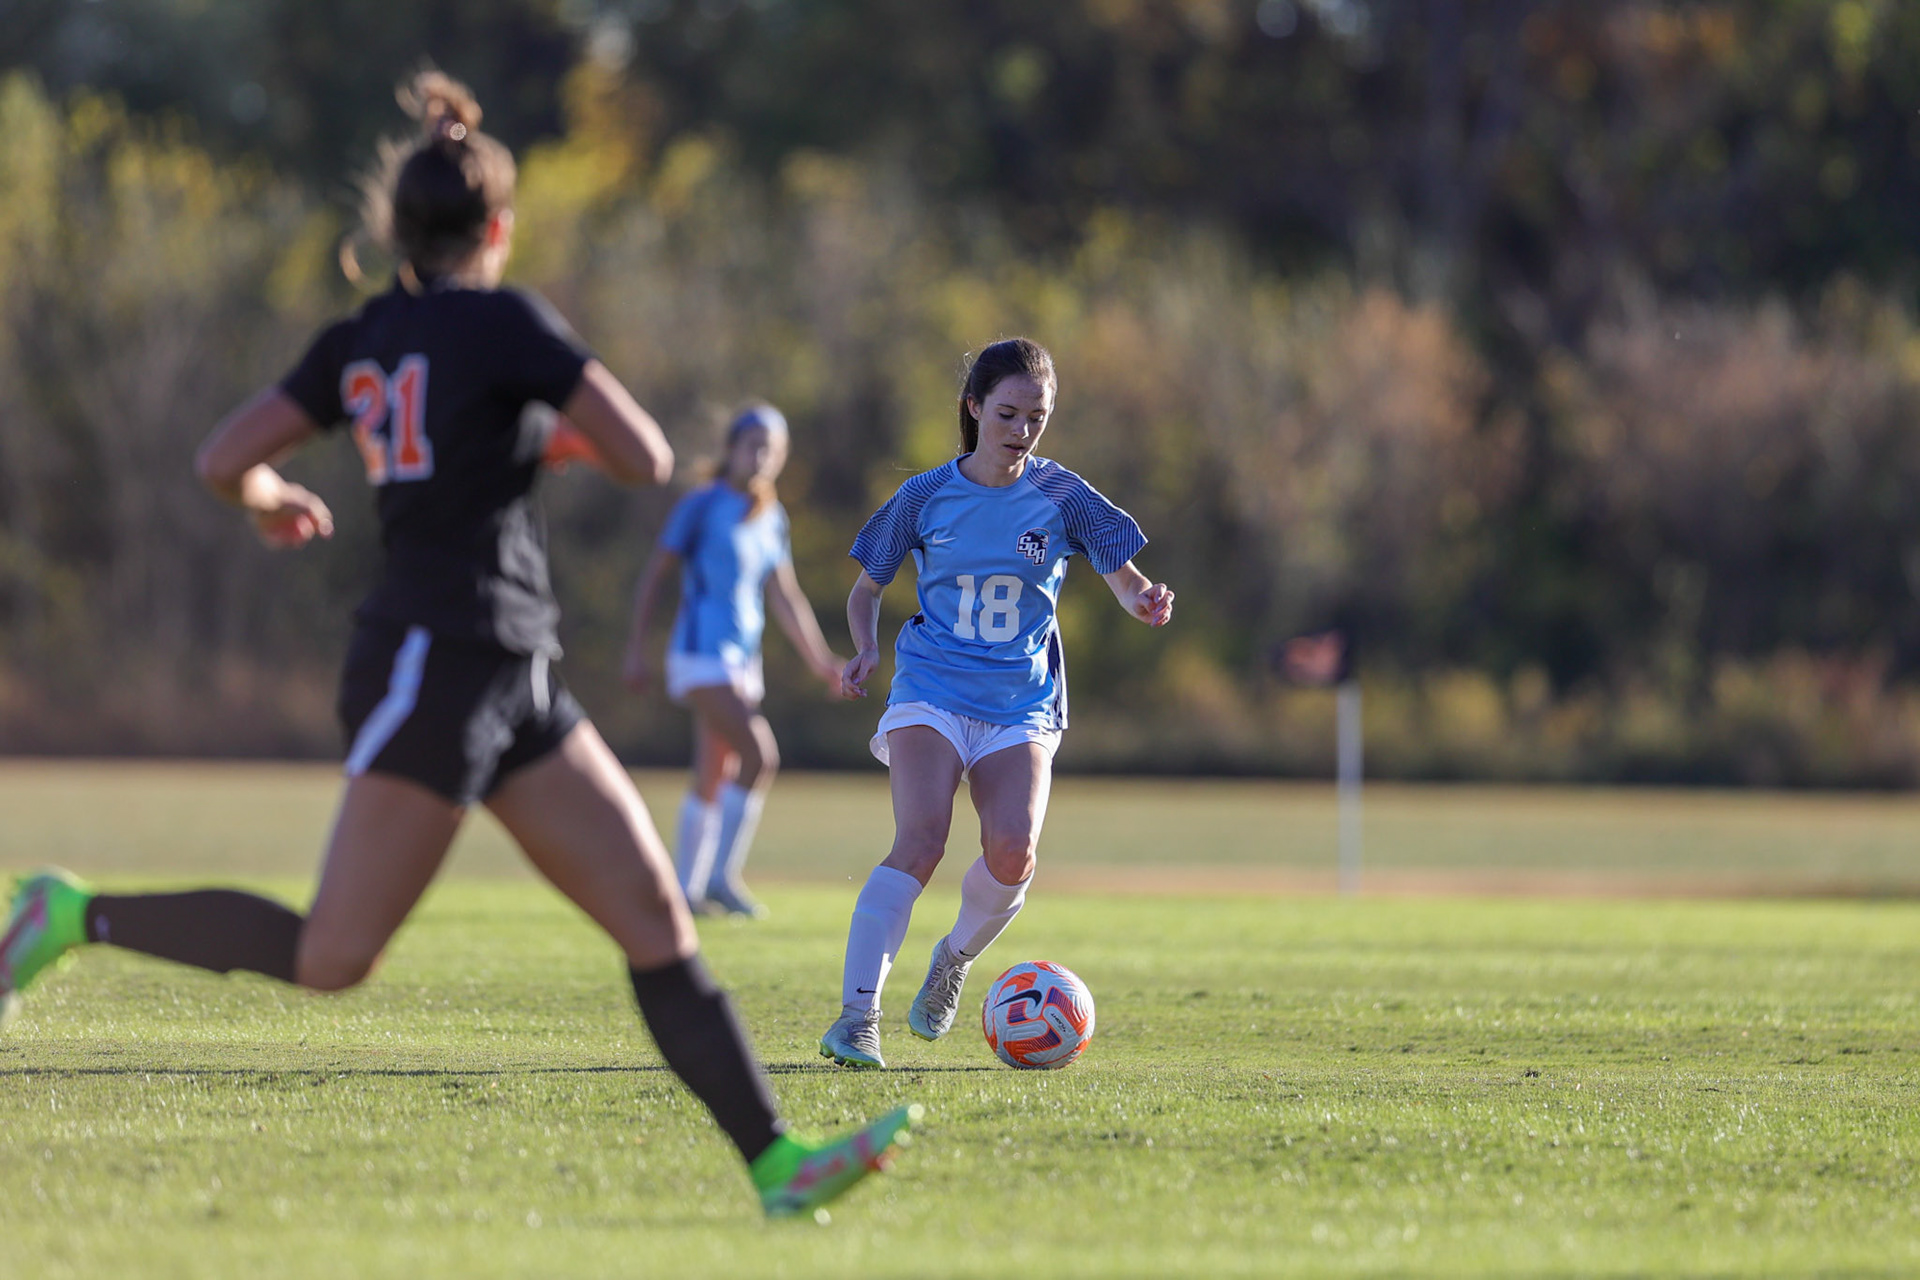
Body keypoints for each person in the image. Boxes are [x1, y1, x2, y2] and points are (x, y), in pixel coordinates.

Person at [0, 71, 916, 1216]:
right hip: (436, 661)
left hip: (512, 670)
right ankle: (70, 913)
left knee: (655, 921)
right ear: (499, 227)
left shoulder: (365, 334)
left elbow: (224, 456)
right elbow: (639, 452)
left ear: (399, 230)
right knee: (335, 955)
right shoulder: (506, 321)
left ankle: (781, 1165)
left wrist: (272, 497)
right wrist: (544, 429)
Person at [819, 338, 1174, 1069]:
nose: (1021, 430)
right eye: (1008, 413)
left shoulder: (1063, 495)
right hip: (934, 686)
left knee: (1013, 851)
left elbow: (1127, 580)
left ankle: (952, 961)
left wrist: (1147, 601)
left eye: (1036, 418)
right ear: (974, 408)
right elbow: (866, 589)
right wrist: (864, 649)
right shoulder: (923, 496)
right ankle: (857, 1019)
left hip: (1021, 701)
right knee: (921, 840)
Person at [621, 404, 843, 917]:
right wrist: (635, 649)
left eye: (773, 449)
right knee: (760, 755)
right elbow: (656, 575)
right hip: (700, 653)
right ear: (732, 449)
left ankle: (684, 891)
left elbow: (785, 596)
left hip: (743, 662)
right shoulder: (702, 505)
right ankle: (721, 879)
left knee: (714, 770)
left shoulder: (772, 516)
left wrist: (819, 661)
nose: (762, 456)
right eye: (754, 445)